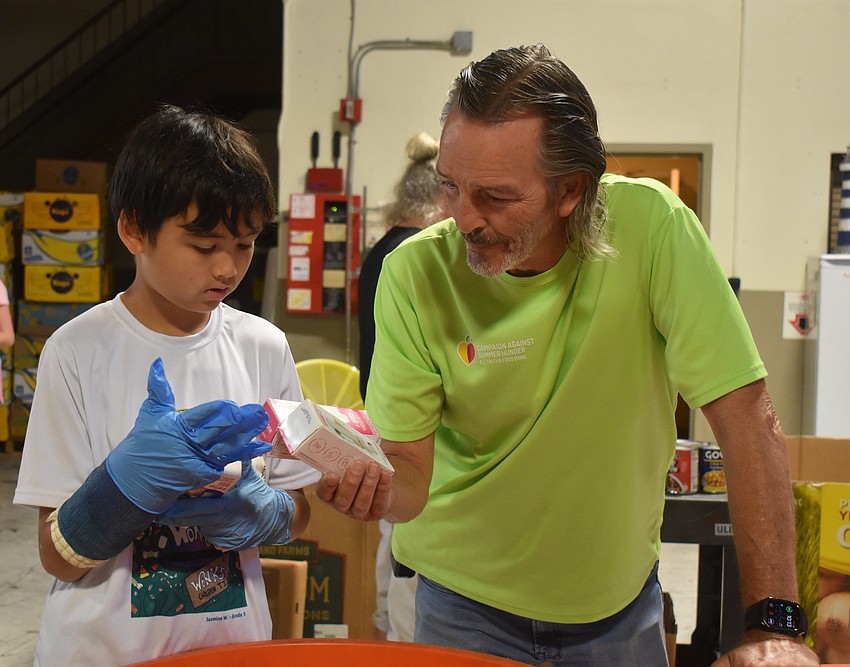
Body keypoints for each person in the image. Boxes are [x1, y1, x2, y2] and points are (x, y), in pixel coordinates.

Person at [316, 44, 819, 667]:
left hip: (616, 609)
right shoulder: (413, 273)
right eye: (451, 187)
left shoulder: (652, 229)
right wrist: (373, 489)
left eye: (495, 196)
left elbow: (748, 421)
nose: (463, 218)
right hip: (461, 608)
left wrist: (775, 623)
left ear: (570, 190)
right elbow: (410, 478)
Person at [13, 104, 320, 667]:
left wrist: (260, 512)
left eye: (246, 243)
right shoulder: (77, 351)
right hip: (99, 653)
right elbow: (56, 558)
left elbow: (301, 508)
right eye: (205, 246)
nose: (228, 268)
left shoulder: (264, 346)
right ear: (133, 229)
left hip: (232, 647)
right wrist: (119, 490)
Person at [358, 131, 445, 641]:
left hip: (381, 415)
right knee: (408, 558)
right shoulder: (417, 257)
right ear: (441, 200)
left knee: (392, 549)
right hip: (410, 424)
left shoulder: (379, 251)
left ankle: (389, 635)